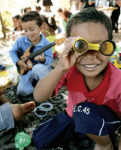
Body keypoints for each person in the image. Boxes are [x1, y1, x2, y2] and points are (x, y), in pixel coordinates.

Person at [32, 8, 121, 150]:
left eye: (101, 46)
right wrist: (61, 68)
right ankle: (84, 131)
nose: (91, 55)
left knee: (82, 111)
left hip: (105, 121)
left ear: (110, 45)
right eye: (81, 46)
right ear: (69, 47)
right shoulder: (68, 70)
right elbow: (38, 96)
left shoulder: (118, 80)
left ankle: (104, 143)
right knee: (39, 138)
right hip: (74, 115)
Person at [9, 11, 53, 97]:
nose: (29, 33)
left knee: (37, 68)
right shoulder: (20, 41)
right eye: (25, 30)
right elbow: (12, 52)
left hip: (41, 70)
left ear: (41, 27)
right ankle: (36, 86)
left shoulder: (46, 43)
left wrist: (43, 59)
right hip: (27, 70)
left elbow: (50, 59)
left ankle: (47, 88)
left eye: (32, 29)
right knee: (22, 92)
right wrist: (18, 62)